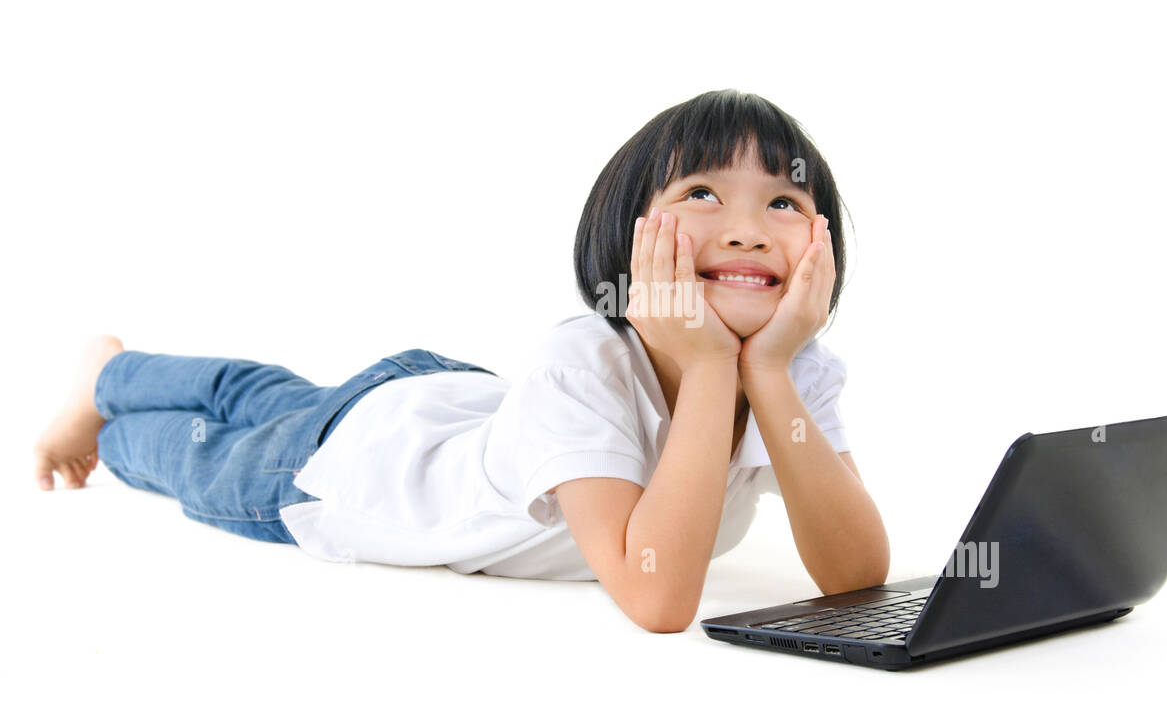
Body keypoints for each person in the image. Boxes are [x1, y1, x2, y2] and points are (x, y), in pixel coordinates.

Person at [32, 89, 889, 632]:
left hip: (446, 401)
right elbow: (657, 597)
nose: (746, 226)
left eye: (784, 200)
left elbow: (855, 576)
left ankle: (109, 370)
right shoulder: (584, 357)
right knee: (206, 451)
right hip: (359, 464)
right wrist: (709, 370)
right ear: (627, 240)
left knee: (274, 394)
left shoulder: (793, 372)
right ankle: (108, 399)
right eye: (701, 193)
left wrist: (765, 374)